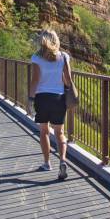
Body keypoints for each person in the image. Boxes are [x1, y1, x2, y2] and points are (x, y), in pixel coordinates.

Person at [28, 29, 73, 180]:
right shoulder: (64, 57)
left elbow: (35, 80)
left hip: (42, 98)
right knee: (60, 133)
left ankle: (47, 163)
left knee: (44, 131)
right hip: (58, 99)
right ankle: (62, 161)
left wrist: (30, 99)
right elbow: (67, 80)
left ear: (42, 40)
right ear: (56, 40)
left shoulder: (36, 58)